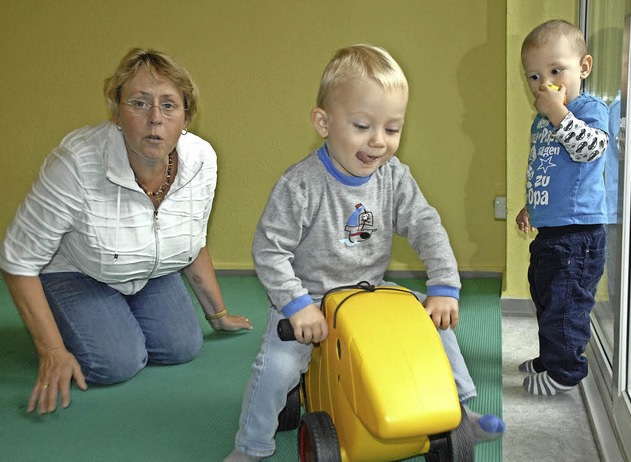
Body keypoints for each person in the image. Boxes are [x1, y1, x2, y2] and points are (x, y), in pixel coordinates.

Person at [224, 44, 505, 462]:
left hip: (371, 291)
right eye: (361, 126)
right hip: (310, 297)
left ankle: (459, 411)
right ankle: (251, 446)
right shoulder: (300, 186)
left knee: (433, 330)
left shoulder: (394, 177)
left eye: (392, 129)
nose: (378, 142)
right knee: (280, 366)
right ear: (323, 122)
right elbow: (269, 250)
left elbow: (427, 227)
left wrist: (444, 285)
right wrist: (296, 305)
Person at [0, 48, 253, 415]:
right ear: (116, 112)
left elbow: (193, 241)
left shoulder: (202, 160)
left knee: (182, 347)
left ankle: (112, 315)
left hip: (148, 270)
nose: (155, 119)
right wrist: (52, 351)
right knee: (116, 363)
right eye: (139, 103)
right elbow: (18, 260)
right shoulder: (76, 162)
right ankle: (60, 320)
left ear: (186, 117)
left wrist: (218, 314)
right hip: (77, 271)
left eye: (169, 105)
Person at [515, 20, 609, 395]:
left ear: (583, 68)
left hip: (578, 236)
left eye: (556, 71)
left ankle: (565, 373)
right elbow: (547, 171)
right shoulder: (542, 121)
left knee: (566, 306)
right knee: (546, 299)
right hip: (551, 232)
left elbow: (589, 148)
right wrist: (530, 206)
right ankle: (550, 356)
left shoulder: (589, 109)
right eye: (535, 76)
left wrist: (558, 113)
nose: (544, 84)